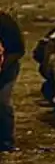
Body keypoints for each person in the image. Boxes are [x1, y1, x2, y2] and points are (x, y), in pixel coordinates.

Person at [0, 8, 25, 153]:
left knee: (3, 104)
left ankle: (6, 142)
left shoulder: (5, 23)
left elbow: (18, 49)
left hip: (6, 70)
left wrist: (3, 67)